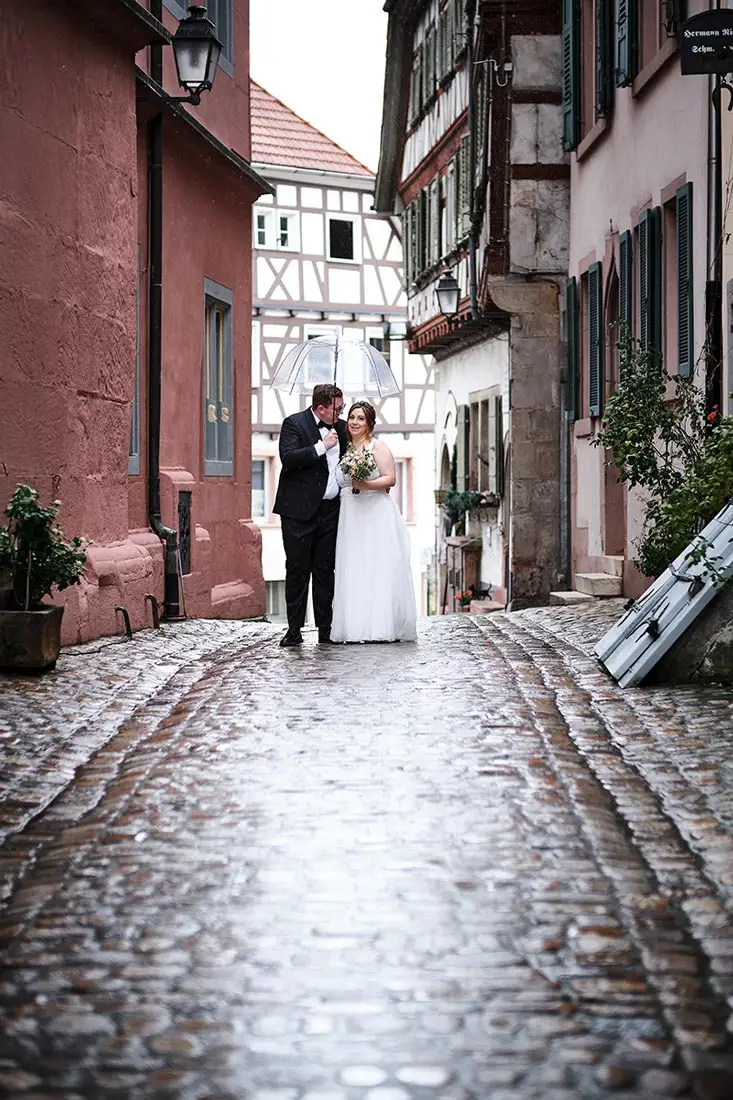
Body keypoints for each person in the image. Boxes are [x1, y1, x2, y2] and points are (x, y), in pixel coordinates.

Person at [331, 400, 417, 643]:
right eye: (351, 417)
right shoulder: (344, 449)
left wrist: (366, 484)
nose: (354, 422)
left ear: (369, 423)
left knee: (376, 565)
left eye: (360, 418)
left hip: (374, 510)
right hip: (351, 512)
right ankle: (354, 627)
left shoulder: (377, 447)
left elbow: (390, 479)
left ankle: (379, 627)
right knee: (354, 566)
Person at [273, 384, 348, 647]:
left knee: (326, 571)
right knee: (297, 571)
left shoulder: (341, 427)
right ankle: (294, 630)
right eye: (337, 409)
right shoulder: (294, 423)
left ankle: (325, 630)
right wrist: (321, 446)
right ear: (321, 408)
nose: (340, 414)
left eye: (342, 408)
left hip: (330, 511)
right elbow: (288, 457)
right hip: (298, 513)